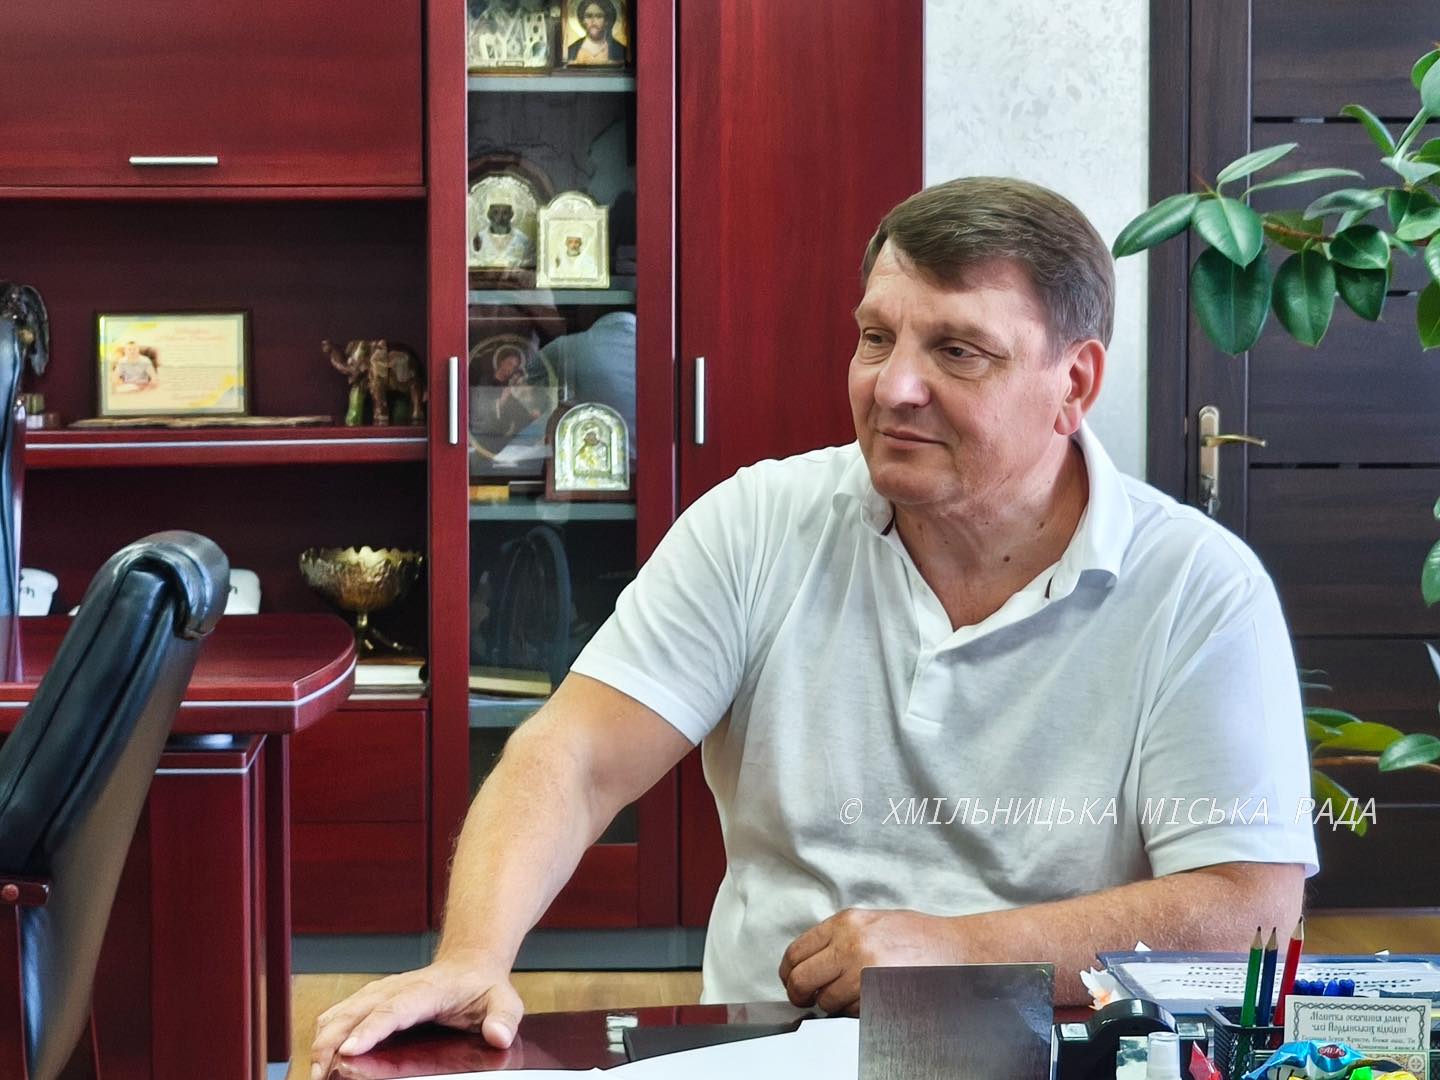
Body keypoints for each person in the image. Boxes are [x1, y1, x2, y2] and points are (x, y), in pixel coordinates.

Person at [311, 177, 1315, 1076]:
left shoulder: (1197, 589)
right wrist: (471, 957)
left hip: (1062, 1048)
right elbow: (574, 760)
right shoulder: (758, 523)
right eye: (876, 338)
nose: (892, 387)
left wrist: (961, 952)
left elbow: (1247, 912)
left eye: (957, 351)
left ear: (1075, 385)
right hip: (764, 1044)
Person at [565, 0, 627, 65]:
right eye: (588, 16)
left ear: (607, 21)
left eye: (599, 16)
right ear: (582, 21)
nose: (593, 21)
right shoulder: (572, 50)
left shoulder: (619, 50)